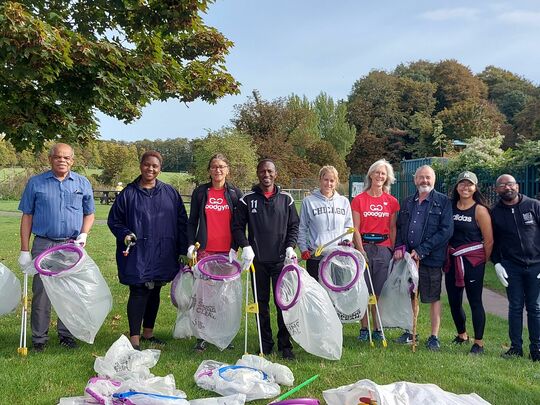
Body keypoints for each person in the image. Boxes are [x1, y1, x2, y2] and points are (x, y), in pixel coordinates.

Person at [18, 143, 95, 352]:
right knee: (42, 292)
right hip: (43, 243)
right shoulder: (36, 183)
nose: (62, 160)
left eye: (67, 157)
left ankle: (66, 335)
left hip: (71, 245)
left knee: (70, 291)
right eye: (58, 157)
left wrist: (84, 234)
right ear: (50, 159)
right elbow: (27, 216)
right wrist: (24, 250)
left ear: (73, 161)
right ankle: (39, 338)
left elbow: (89, 213)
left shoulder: (82, 183)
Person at [108, 151, 188, 351]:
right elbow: (114, 220)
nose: (150, 169)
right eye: (147, 165)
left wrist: (182, 249)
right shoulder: (128, 194)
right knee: (139, 290)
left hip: (163, 251)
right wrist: (125, 234)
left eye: (155, 166)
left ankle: (148, 333)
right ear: (141, 166)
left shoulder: (170, 193)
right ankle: (134, 339)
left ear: (160, 168)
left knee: (155, 291)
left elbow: (181, 222)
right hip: (138, 252)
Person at [232, 159, 300, 360]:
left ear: (276, 174)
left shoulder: (286, 199)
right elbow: (237, 227)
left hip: (281, 261)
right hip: (257, 262)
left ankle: (285, 345)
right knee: (261, 304)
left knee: (283, 304)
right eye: (262, 171)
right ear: (257, 173)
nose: (266, 175)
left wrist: (290, 246)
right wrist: (245, 246)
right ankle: (265, 343)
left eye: (270, 171)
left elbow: (294, 226)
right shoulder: (247, 199)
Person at [393, 165, 453, 351]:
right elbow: (401, 227)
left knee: (433, 297)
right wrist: (399, 247)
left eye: (428, 177)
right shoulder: (408, 202)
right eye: (421, 177)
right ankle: (410, 331)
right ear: (415, 180)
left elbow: (446, 231)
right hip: (409, 259)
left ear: (433, 180)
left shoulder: (443, 202)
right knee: (411, 295)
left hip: (431, 258)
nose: (424, 181)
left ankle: (434, 336)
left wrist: (422, 249)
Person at [187, 153, 243, 352]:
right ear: (209, 170)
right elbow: (192, 220)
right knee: (203, 296)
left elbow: (239, 224)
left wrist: (235, 248)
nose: (217, 170)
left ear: (227, 169)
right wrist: (191, 245)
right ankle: (201, 336)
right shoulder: (201, 192)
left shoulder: (235, 194)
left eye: (221, 166)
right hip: (205, 253)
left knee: (225, 297)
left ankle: (223, 334)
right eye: (214, 166)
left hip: (227, 254)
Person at [491, 174, 540, 361]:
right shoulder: (494, 212)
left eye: (510, 184)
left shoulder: (534, 206)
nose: (507, 188)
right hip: (511, 267)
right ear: (497, 190)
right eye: (502, 185)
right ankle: (515, 347)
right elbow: (492, 241)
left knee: (535, 308)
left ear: (517, 186)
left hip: (536, 266)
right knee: (515, 307)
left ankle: (537, 349)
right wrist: (496, 263)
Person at [444, 171, 493, 355]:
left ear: (475, 187)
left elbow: (489, 241)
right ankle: (462, 334)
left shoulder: (479, 210)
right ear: (457, 187)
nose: (465, 187)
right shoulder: (450, 207)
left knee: (475, 301)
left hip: (473, 262)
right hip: (452, 260)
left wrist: (481, 261)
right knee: (454, 301)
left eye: (469, 184)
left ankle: (479, 342)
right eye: (462, 184)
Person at [351, 159, 400, 342]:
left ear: (387, 178)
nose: (380, 176)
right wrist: (360, 249)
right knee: (363, 290)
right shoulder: (358, 200)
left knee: (378, 291)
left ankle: (377, 327)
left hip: (382, 249)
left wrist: (392, 249)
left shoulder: (392, 202)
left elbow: (393, 228)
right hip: (363, 248)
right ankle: (364, 328)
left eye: (383, 173)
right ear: (371, 174)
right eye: (377, 172)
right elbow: (355, 228)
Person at [298, 165, 353, 281]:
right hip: (316, 256)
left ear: (336, 182)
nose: (328, 184)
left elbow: (348, 226)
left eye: (332, 180)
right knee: (318, 295)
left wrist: (347, 240)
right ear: (320, 180)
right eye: (326, 179)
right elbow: (302, 228)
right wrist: (303, 249)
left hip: (338, 257)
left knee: (337, 294)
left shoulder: (344, 202)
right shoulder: (309, 201)